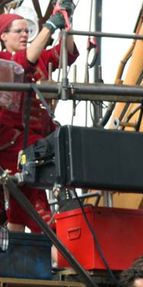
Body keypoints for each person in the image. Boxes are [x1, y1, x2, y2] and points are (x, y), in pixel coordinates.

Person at [0, 3, 78, 231]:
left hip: (36, 138)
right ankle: (48, 237)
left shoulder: (40, 56)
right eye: (18, 31)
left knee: (22, 191)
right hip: (11, 139)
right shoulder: (3, 60)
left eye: (27, 31)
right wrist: (50, 25)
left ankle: (17, 249)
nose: (25, 34)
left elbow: (66, 54)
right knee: (30, 189)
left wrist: (67, 25)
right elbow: (24, 63)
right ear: (3, 36)